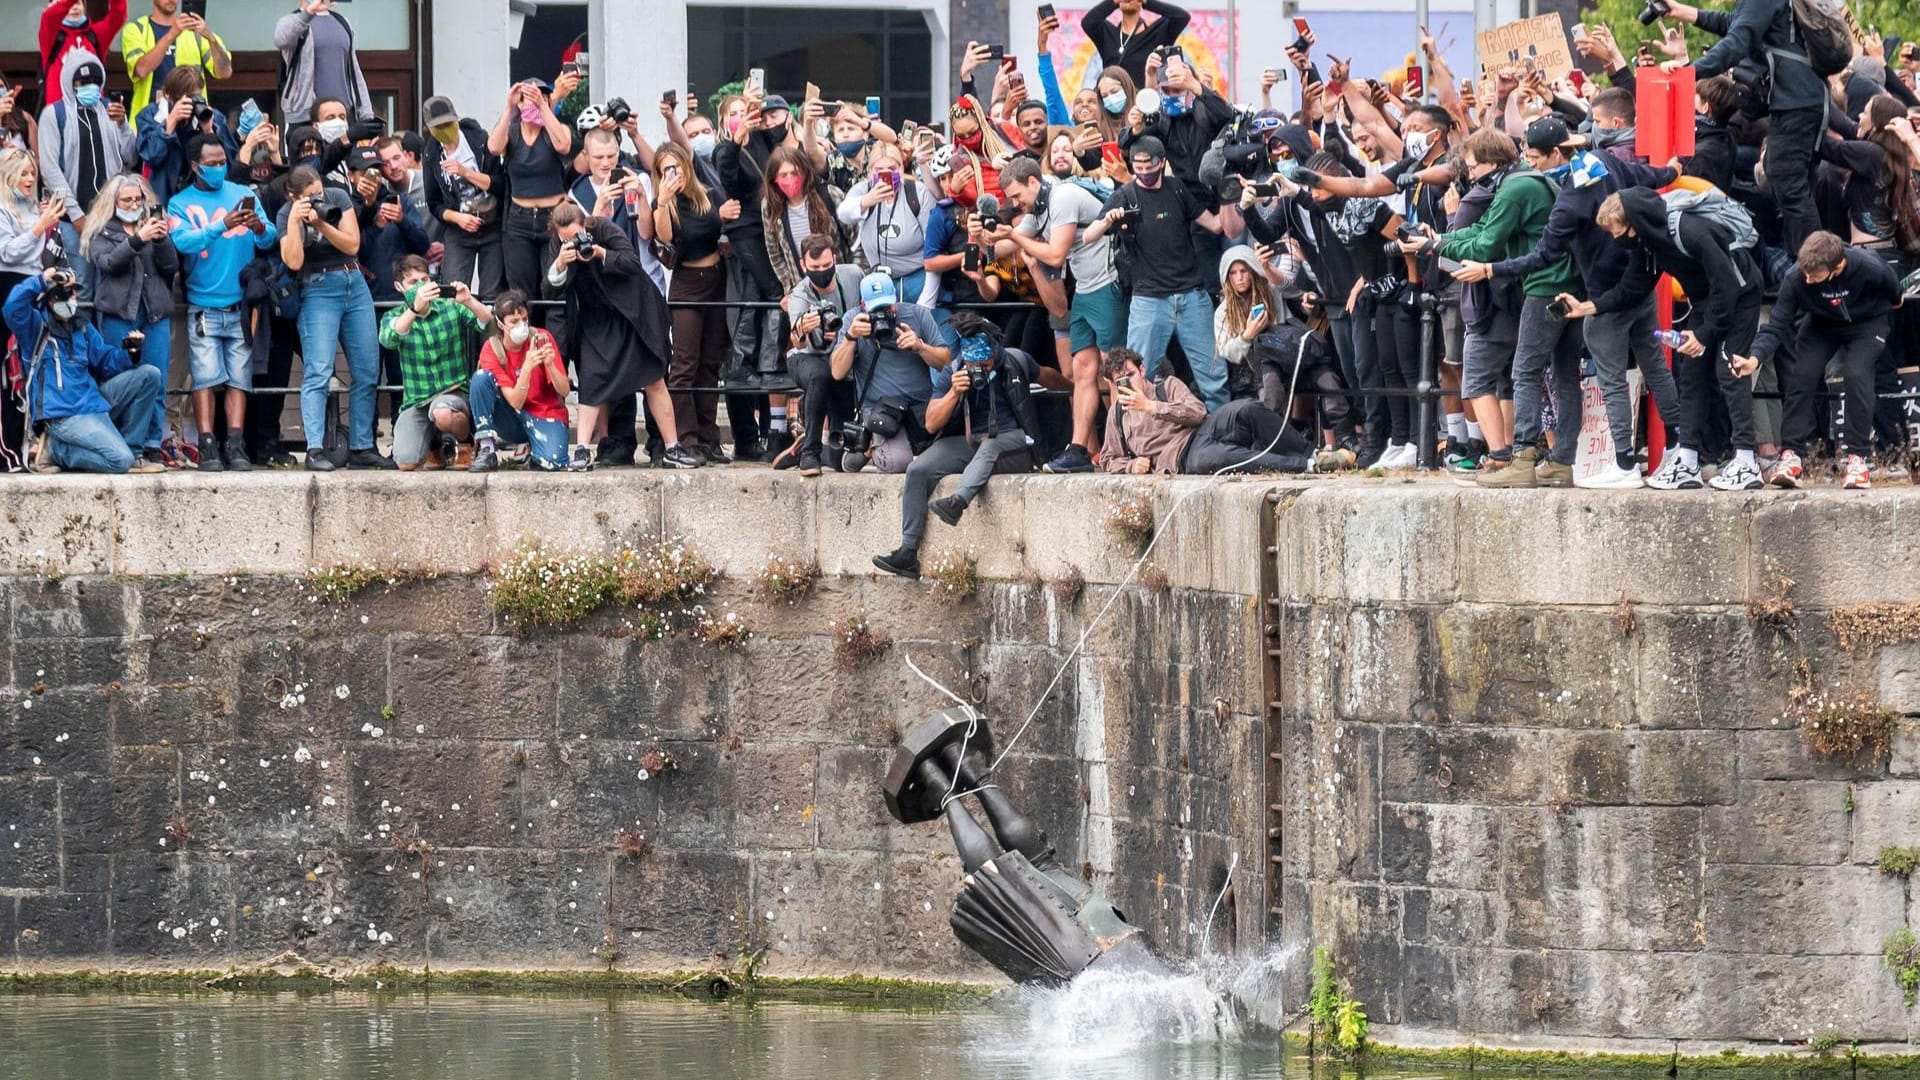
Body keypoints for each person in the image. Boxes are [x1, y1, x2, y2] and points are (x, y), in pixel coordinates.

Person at [1560, 187, 1766, 492]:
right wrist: (1586, 307)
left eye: (1617, 233)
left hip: (1741, 293)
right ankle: (1688, 458)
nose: (1616, 241)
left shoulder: (1687, 230)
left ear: (1633, 225)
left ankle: (1747, 461)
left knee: (1729, 368)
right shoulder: (1648, 242)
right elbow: (1632, 288)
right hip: (1706, 300)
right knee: (1693, 374)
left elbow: (1727, 284)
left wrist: (1704, 333)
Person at [1430, 129, 1562, 484]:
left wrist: (1442, 243)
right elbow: (1485, 231)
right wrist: (1438, 239)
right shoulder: (1523, 183)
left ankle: (1509, 458)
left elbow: (1485, 241)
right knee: (1531, 377)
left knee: (1500, 376)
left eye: (1473, 167)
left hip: (1529, 291)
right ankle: (1546, 458)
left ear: (1494, 162)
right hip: (1527, 291)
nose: (1470, 174)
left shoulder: (1514, 188)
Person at [1732, 232, 1904, 490]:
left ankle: (1857, 458)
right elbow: (1776, 325)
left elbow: (1894, 291)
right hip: (1821, 324)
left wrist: (1891, 303)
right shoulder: (1796, 277)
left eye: (1815, 276)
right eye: (1805, 274)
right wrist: (1754, 358)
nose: (1808, 279)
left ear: (1838, 266)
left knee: (1856, 372)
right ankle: (1791, 455)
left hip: (1867, 322)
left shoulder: (1867, 265)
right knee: (1801, 373)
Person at [872, 313, 1038, 580]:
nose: (979, 368)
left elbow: (1051, 377)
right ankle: (907, 552)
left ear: (994, 352)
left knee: (990, 447)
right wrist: (954, 393)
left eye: (984, 362)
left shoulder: (1014, 361)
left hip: (1014, 441)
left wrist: (1073, 386)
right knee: (918, 468)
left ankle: (958, 502)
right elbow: (930, 423)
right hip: (972, 440)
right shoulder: (953, 370)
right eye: (973, 363)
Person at [1663, 0, 1828, 256]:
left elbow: (1737, 42)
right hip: (1802, 99)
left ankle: (1813, 270)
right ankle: (1811, 268)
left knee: (1791, 188)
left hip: (1794, 104)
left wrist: (1689, 71)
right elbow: (1738, 24)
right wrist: (1686, 13)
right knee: (1793, 186)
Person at [543, 202, 700, 469]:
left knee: (654, 378)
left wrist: (600, 252)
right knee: (592, 382)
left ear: (585, 225)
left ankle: (673, 447)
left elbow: (631, 262)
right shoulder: (557, 247)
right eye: (566, 239)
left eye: (576, 235)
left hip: (633, 314)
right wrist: (560, 263)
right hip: (596, 320)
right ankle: (581, 450)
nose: (572, 242)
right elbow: (549, 291)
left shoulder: (604, 228)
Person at [995, 155, 1121, 472]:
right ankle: (1080, 449)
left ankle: (1123, 445)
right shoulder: (1037, 206)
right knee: (1081, 371)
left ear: (1033, 182)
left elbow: (1055, 252)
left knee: (1114, 369)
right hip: (1084, 290)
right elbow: (1003, 249)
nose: (1015, 204)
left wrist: (1013, 236)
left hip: (1108, 284)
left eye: (1016, 196)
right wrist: (988, 236)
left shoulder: (1062, 197)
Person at [1085, 136, 1226, 410]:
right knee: (1136, 377)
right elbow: (1089, 236)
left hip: (1192, 296)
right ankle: (1134, 441)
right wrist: (1108, 220)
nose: (1144, 173)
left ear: (1162, 163)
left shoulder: (1176, 189)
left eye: (1149, 167)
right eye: (1137, 167)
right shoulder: (1124, 194)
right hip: (1149, 300)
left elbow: (1215, 225)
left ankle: (1225, 434)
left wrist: (1231, 195)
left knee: (1214, 378)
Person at [170, 135, 275, 471]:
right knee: (204, 378)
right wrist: (221, 225)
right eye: (212, 163)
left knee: (239, 379)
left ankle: (236, 444)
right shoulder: (179, 203)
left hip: (241, 304)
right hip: (203, 305)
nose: (219, 168)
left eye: (222, 162)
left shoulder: (244, 195)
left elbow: (271, 237)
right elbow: (183, 241)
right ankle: (208, 445)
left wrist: (258, 226)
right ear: (195, 166)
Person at [276, 163, 386, 472]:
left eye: (319, 193)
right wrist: (298, 223)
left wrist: (322, 224)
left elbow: (352, 245)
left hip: (353, 282)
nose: (319, 200)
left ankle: (362, 446)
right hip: (318, 287)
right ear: (293, 196)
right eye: (310, 197)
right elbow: (294, 262)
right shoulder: (286, 214)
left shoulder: (337, 196)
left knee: (366, 369)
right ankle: (315, 449)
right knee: (319, 370)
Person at [6, 266, 165, 474]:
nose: (73, 298)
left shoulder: (81, 326)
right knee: (119, 461)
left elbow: (105, 361)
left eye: (74, 292)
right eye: (67, 292)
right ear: (51, 296)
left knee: (150, 374)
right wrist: (43, 279)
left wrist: (130, 352)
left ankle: (134, 454)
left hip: (92, 403)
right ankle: (56, 450)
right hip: (61, 415)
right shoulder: (35, 327)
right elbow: (12, 307)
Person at [82, 173, 178, 467]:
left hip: (154, 312)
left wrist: (160, 241)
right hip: (119, 314)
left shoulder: (152, 226)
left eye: (138, 199)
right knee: (121, 378)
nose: (134, 204)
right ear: (113, 203)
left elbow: (171, 267)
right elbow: (109, 263)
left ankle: (151, 442)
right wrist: (138, 239)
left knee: (157, 378)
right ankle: (120, 440)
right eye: (127, 200)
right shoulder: (102, 232)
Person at [1098, 346, 1312, 474]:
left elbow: (1198, 412)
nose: (1129, 383)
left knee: (1248, 407)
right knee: (1216, 459)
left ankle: (1312, 453)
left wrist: (1152, 406)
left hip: (1203, 429)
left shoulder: (1167, 386)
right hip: (1180, 456)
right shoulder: (1118, 415)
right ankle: (1303, 465)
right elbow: (1108, 459)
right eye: (1121, 380)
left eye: (1131, 374)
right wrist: (1131, 466)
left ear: (1141, 370)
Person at [653, 141, 734, 464]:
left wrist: (724, 215)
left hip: (716, 277)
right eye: (666, 170)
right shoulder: (667, 203)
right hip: (687, 283)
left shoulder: (706, 194)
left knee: (710, 362)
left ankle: (709, 435)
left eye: (677, 167)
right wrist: (662, 200)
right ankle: (686, 438)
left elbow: (720, 226)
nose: (674, 175)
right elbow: (664, 237)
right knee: (684, 365)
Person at [827, 269, 951, 475]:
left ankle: (874, 448)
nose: (884, 313)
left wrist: (920, 347)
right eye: (877, 308)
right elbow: (837, 373)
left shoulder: (917, 314)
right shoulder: (853, 320)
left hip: (919, 405)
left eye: (888, 306)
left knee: (940, 462)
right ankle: (868, 448)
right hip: (880, 409)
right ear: (863, 305)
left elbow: (945, 361)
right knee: (897, 464)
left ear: (895, 299)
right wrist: (850, 338)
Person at [379, 255, 493, 470]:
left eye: (425, 280)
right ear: (399, 287)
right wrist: (414, 310)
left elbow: (487, 324)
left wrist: (468, 300)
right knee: (405, 462)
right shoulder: (394, 316)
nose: (421, 286)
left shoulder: (449, 307)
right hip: (418, 400)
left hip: (454, 392)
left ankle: (466, 442)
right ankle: (435, 445)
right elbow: (389, 339)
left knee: (441, 412)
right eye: (413, 282)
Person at [0, 149, 65, 468]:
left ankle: (28, 444)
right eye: (23, 173)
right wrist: (39, 227)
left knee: (30, 366)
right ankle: (6, 449)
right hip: (8, 286)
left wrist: (46, 225)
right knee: (7, 369)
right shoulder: (2, 209)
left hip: (35, 286)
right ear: (9, 173)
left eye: (32, 173)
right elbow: (8, 252)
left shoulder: (32, 208)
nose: (29, 179)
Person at [785, 235, 865, 476]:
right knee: (820, 376)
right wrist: (804, 328)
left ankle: (807, 445)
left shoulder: (853, 275)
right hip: (807, 358)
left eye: (826, 266)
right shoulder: (799, 295)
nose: (822, 272)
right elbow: (796, 342)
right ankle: (809, 452)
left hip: (842, 359)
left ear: (835, 260)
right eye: (815, 268)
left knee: (842, 455)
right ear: (803, 266)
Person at [490, 78, 574, 302]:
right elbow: (494, 147)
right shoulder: (513, 132)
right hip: (519, 219)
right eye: (528, 99)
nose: (533, 104)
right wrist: (509, 107)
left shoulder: (555, 128)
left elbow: (563, 145)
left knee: (554, 284)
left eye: (540, 97)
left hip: (553, 216)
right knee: (521, 289)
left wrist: (545, 107)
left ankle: (555, 335)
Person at [36, 52, 133, 240]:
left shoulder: (110, 110)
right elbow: (50, 169)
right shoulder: (54, 114)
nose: (91, 85)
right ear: (70, 82)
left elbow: (130, 158)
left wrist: (123, 126)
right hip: (73, 221)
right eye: (83, 81)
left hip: (113, 218)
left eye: (96, 80)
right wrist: (76, 216)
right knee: (78, 271)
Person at [469, 290, 569, 472]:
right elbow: (516, 401)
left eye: (524, 319)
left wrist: (551, 366)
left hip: (545, 413)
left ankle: (533, 451)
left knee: (553, 462)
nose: (521, 325)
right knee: (480, 379)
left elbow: (564, 391)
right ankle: (487, 448)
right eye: (514, 321)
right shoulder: (492, 349)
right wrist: (527, 368)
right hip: (512, 415)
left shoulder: (541, 338)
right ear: (500, 324)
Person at [422, 95, 505, 299]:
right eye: (438, 126)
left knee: (492, 294)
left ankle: (490, 331)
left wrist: (465, 172)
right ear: (429, 129)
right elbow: (434, 204)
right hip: (458, 230)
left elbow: (501, 184)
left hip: (492, 224)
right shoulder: (431, 153)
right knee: (452, 291)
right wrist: (458, 218)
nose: (444, 130)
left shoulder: (479, 140)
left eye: (448, 124)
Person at [838, 143, 938, 306]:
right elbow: (843, 213)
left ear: (901, 169)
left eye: (892, 168)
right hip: (880, 280)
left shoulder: (918, 193)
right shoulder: (863, 190)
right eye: (879, 170)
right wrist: (867, 201)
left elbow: (934, 250)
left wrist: (927, 301)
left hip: (917, 278)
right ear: (870, 173)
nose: (887, 174)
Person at [122, 0, 231, 131]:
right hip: (150, 124)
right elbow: (141, 70)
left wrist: (210, 37)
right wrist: (171, 35)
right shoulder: (136, 29)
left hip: (193, 123)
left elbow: (225, 72)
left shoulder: (195, 31)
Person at [134, 66, 235, 205]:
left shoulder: (213, 118)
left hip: (203, 201)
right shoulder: (150, 116)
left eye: (196, 97)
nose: (191, 104)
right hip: (163, 199)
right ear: (169, 95)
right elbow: (151, 156)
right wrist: (169, 125)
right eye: (187, 99)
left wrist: (209, 133)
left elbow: (229, 165)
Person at [274, 0, 378, 130]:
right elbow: (281, 39)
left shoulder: (342, 22)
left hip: (343, 116)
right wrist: (310, 11)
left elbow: (354, 71)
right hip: (306, 117)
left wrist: (366, 116)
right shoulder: (293, 21)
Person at [1080, 0, 1192, 90]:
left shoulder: (1159, 32)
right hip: (1114, 107)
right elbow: (1088, 22)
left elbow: (1182, 17)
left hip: (1147, 103)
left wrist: (1148, 2)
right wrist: (1113, 2)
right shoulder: (1107, 34)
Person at [38, 0, 126, 107]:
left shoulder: (95, 34)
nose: (75, 7)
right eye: (69, 4)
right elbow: (49, 16)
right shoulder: (50, 35)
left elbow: (118, 15)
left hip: (93, 116)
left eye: (78, 3)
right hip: (60, 117)